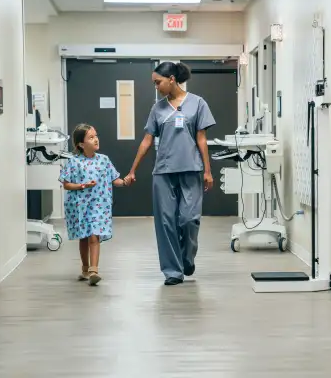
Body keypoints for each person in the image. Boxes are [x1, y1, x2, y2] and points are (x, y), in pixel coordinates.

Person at [124, 61, 216, 286]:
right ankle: (173, 272)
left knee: (189, 219)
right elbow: (147, 140)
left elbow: (201, 139)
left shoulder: (197, 103)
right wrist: (133, 169)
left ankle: (187, 258)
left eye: (158, 82)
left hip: (191, 170)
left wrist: (208, 170)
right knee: (166, 224)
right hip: (164, 172)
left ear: (172, 79)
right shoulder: (157, 109)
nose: (156, 87)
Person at [59, 123, 126, 286]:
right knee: (84, 238)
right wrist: (83, 185)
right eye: (91, 137)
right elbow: (66, 184)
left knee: (94, 236)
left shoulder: (104, 160)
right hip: (79, 206)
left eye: (96, 136)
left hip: (99, 205)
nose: (96, 139)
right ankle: (85, 268)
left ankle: (94, 270)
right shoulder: (74, 162)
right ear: (81, 144)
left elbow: (114, 179)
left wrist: (124, 182)